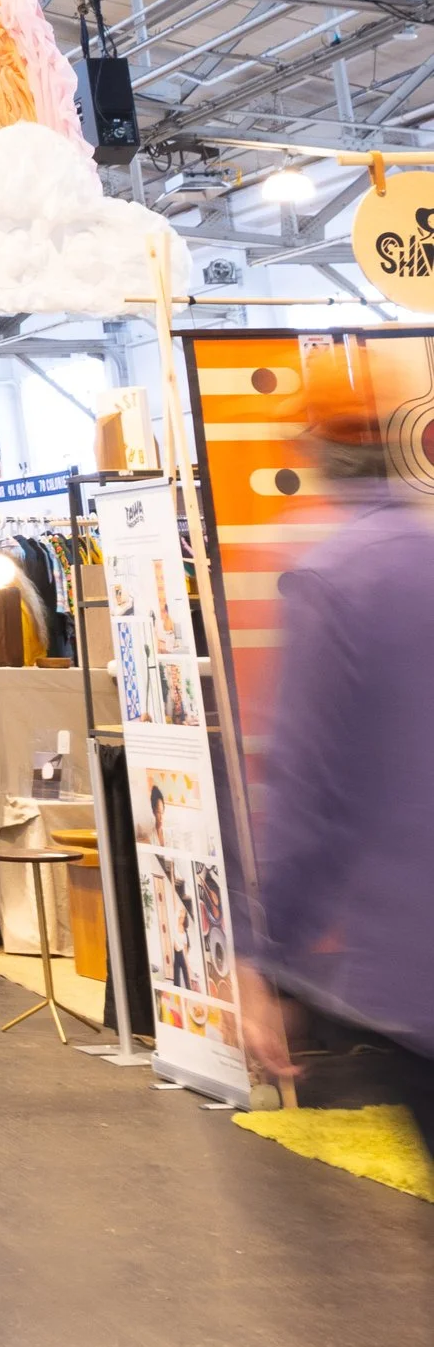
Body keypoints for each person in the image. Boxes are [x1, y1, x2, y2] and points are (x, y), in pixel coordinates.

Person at [243, 367, 434, 1159]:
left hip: (415, 960)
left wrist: (267, 959)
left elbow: (307, 788)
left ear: (314, 451)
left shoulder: (332, 580)